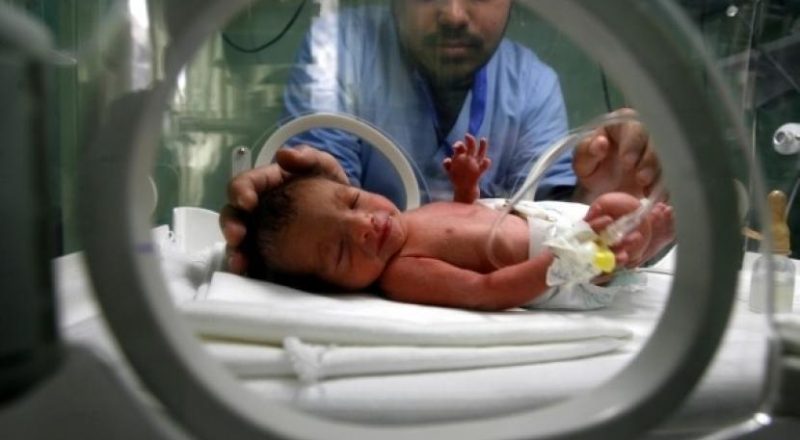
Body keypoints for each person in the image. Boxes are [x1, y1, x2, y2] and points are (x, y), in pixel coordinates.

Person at [221, 0, 662, 274]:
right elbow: (320, 220)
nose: (453, 14)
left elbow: (549, 223)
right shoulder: (340, 50)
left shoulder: (532, 83)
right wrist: (309, 199)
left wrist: (601, 194)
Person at [243, 137, 673, 311]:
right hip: (561, 269)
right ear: (334, 289)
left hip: (549, 221)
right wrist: (555, 265)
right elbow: (483, 288)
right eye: (340, 250)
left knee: (619, 209)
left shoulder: (408, 220)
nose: (363, 224)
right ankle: (647, 243)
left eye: (353, 200)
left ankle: (654, 234)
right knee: (619, 216)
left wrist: (466, 186)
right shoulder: (401, 273)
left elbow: (467, 225)